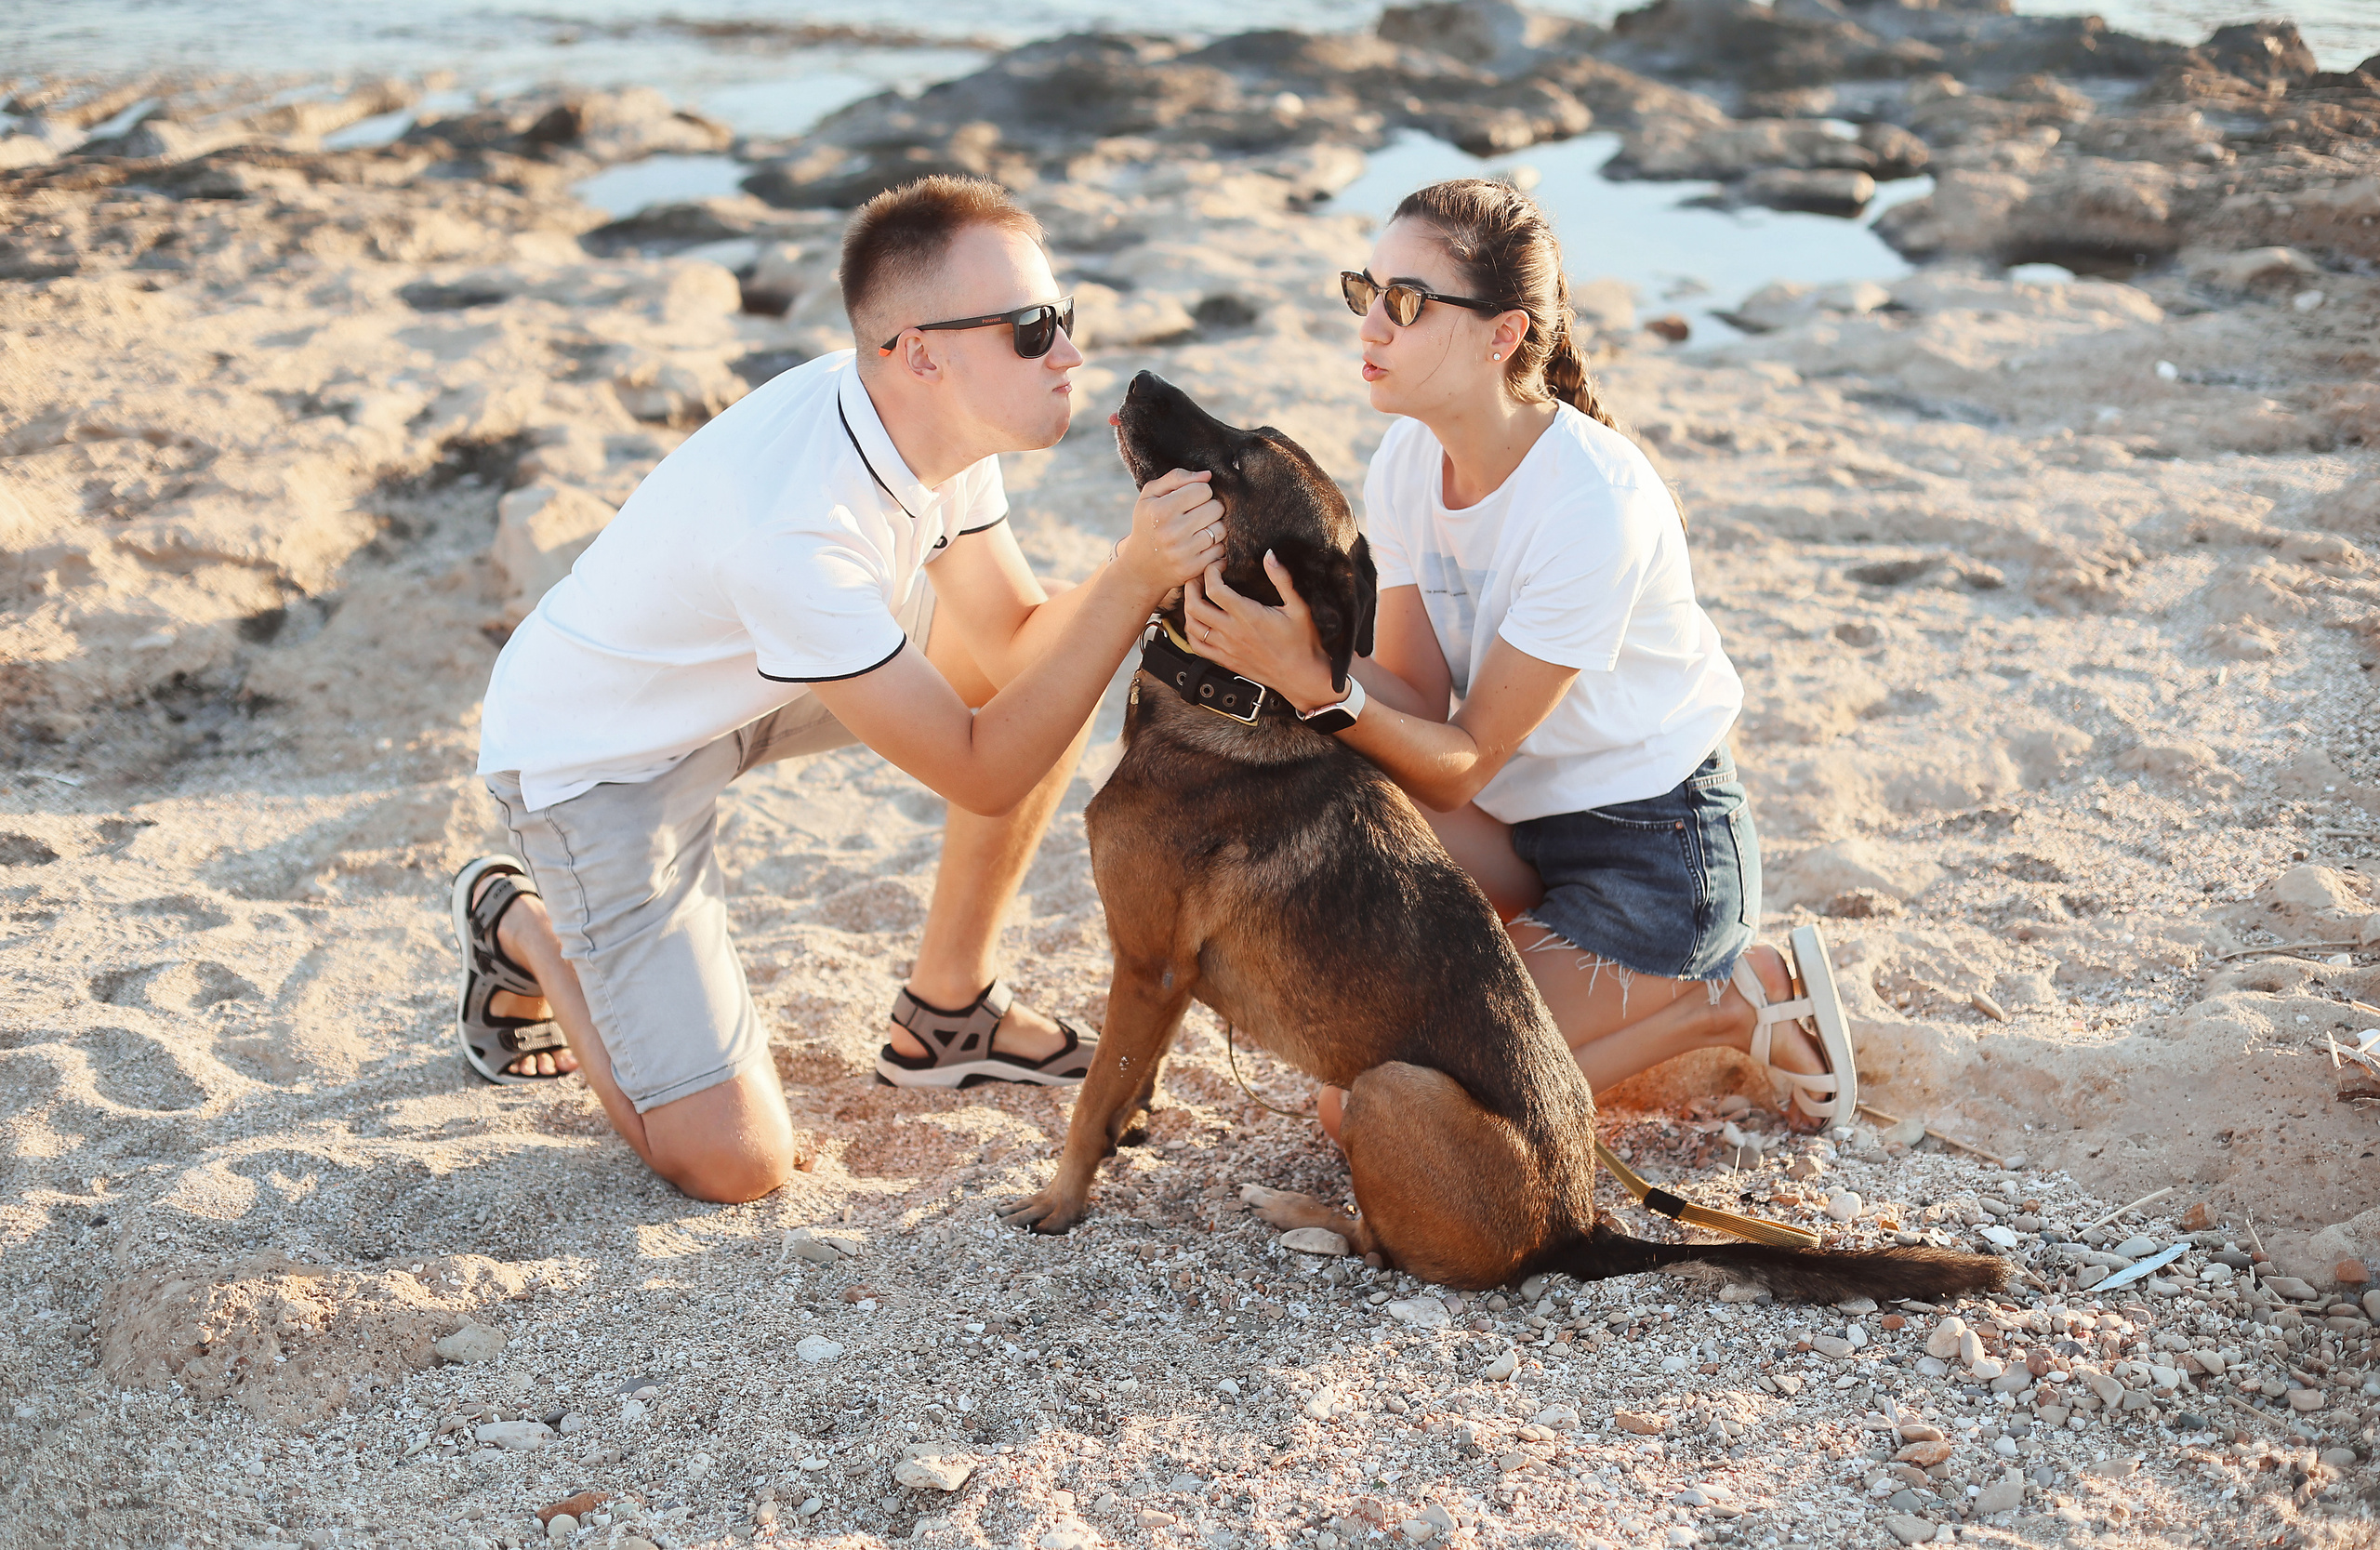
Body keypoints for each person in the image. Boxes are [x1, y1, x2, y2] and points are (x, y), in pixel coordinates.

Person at [455, 176, 1224, 1203]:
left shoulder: (938, 425)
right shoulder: (798, 530)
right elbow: (982, 771)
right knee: (732, 1164)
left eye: (1064, 317)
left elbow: (1011, 643)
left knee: (1048, 681)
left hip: (744, 678)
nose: (1072, 354)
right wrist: (1132, 578)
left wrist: (1142, 581)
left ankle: (946, 1014)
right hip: (597, 762)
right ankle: (523, 925)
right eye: (1034, 329)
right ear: (920, 352)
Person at [1183, 178, 1858, 1138]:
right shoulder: (1409, 460)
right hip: (1521, 830)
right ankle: (1569, 979)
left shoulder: (1590, 501)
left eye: (1406, 303)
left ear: (1502, 335)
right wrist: (1281, 632)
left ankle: (1731, 1000)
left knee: (1368, 1115)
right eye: (1363, 292)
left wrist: (1315, 681)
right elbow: (1413, 694)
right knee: (1317, 758)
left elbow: (1459, 763)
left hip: (1655, 860)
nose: (1370, 325)